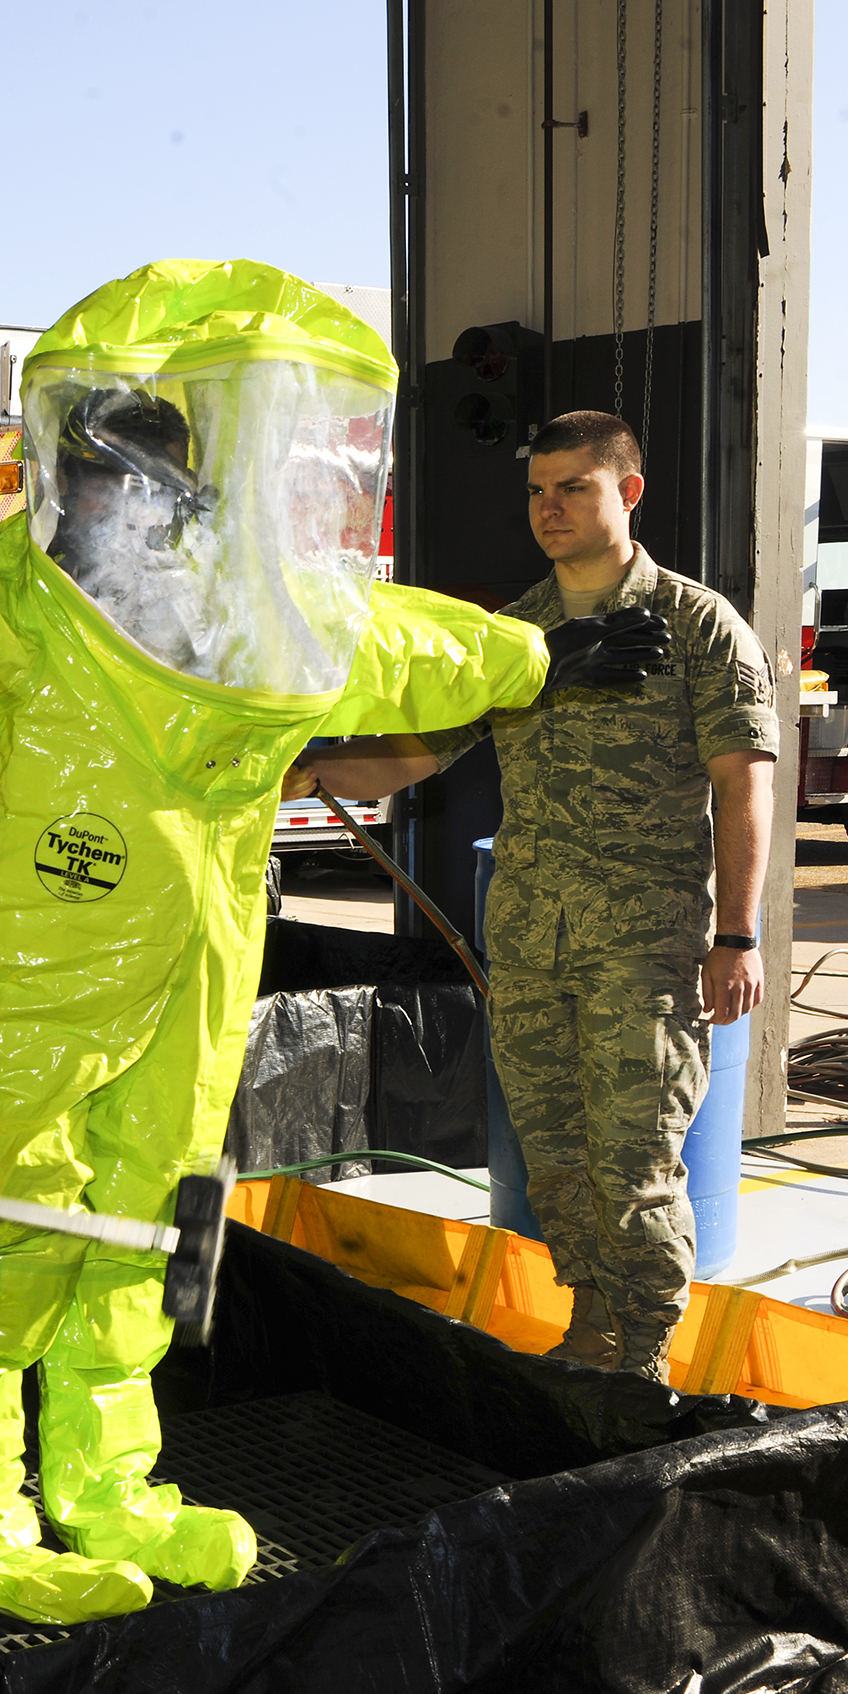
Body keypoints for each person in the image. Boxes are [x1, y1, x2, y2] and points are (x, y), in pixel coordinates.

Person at [0, 260, 579, 1627]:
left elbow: (410, 647)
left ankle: (110, 1489)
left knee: (132, 1249)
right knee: (11, 1258)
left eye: (167, 491)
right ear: (69, 483)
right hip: (20, 1004)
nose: (146, 516)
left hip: (184, 1003)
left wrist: (547, 656)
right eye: (122, 486)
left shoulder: (248, 632)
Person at [293, 410, 775, 1381]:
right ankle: (593, 1330)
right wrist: (314, 771)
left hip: (642, 950)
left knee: (635, 1167)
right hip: (528, 946)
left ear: (628, 493)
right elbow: (423, 753)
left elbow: (744, 781)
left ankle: (641, 1360)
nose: (549, 508)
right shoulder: (516, 638)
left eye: (575, 487)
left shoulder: (695, 625)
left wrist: (737, 934)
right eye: (537, 490)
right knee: (555, 1159)